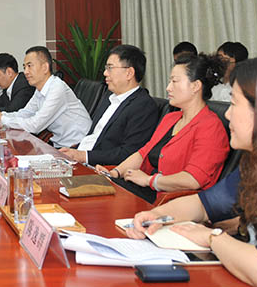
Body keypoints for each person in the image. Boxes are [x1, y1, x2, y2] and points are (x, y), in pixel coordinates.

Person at [127, 52, 257, 287]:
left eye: (234, 104)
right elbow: (204, 203)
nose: (227, 114)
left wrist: (211, 237)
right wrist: (158, 214)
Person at [96, 53, 230, 202]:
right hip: (146, 190)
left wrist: (150, 180)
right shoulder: (170, 119)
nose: (168, 88)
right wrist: (115, 172)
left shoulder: (211, 127)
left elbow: (193, 179)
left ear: (195, 86)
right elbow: (143, 153)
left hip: (174, 202)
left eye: (174, 81)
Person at [59, 44, 158, 165]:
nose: (105, 73)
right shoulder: (109, 97)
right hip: (80, 160)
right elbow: (95, 137)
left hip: (101, 168)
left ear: (129, 73)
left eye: (110, 68)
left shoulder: (143, 106)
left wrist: (84, 156)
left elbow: (129, 153)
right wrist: (74, 151)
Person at [0, 46, 91, 148]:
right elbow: (25, 113)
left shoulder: (57, 88)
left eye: (30, 66)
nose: (25, 72)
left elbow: (35, 125)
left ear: (45, 67)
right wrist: (1, 115)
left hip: (78, 146)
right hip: (60, 145)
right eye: (24, 67)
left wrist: (2, 119)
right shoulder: (40, 89)